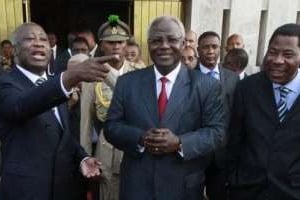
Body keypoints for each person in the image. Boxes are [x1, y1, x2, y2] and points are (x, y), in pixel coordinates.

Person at [104, 16, 226, 200]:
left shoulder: (206, 85)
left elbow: (217, 132)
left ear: (183, 43)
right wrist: (141, 138)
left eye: (172, 39)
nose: (164, 45)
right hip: (137, 187)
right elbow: (111, 127)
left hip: (183, 187)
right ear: (148, 44)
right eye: (157, 40)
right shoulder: (127, 83)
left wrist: (179, 142)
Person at [0, 22, 118, 200]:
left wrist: (82, 158)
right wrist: (70, 77)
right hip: (26, 190)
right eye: (30, 39)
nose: (39, 43)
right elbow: (19, 107)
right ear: (14, 50)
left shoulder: (55, 83)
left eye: (43, 39)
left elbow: (61, 134)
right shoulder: (7, 83)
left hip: (63, 189)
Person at [227, 23, 300, 200]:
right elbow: (235, 140)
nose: (277, 60)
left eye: (287, 55)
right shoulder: (247, 88)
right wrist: (231, 180)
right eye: (273, 52)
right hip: (246, 190)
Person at [80, 14, 143, 200]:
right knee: (109, 194)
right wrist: (85, 155)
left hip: (135, 144)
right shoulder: (93, 75)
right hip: (107, 147)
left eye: (121, 42)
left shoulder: (140, 72)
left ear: (126, 44)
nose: (116, 46)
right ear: (101, 45)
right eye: (110, 42)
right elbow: (86, 121)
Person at [196, 31, 239, 200]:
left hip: (222, 153)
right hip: (196, 153)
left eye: (214, 47)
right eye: (206, 47)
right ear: (198, 50)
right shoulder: (185, 77)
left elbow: (236, 114)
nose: (210, 51)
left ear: (220, 49)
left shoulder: (233, 78)